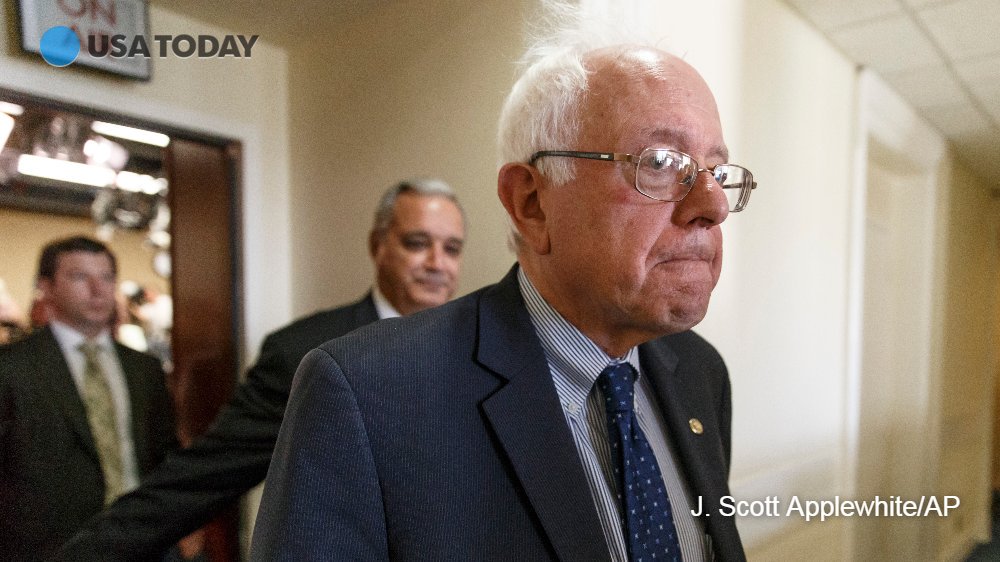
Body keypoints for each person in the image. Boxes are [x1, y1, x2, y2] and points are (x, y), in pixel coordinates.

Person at [250, 32, 757, 562]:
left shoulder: (700, 372)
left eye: (716, 172)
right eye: (660, 162)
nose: (714, 206)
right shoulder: (364, 393)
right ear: (531, 203)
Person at [53, 178, 466, 560]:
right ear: (378, 245)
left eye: (452, 249)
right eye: (417, 243)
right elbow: (201, 478)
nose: (437, 263)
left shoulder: (477, 347)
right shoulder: (308, 351)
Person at [0, 236, 177, 561]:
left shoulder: (144, 369)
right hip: (50, 549)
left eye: (107, 277)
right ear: (46, 286)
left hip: (143, 543)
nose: (98, 290)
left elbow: (163, 453)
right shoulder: (12, 367)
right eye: (80, 277)